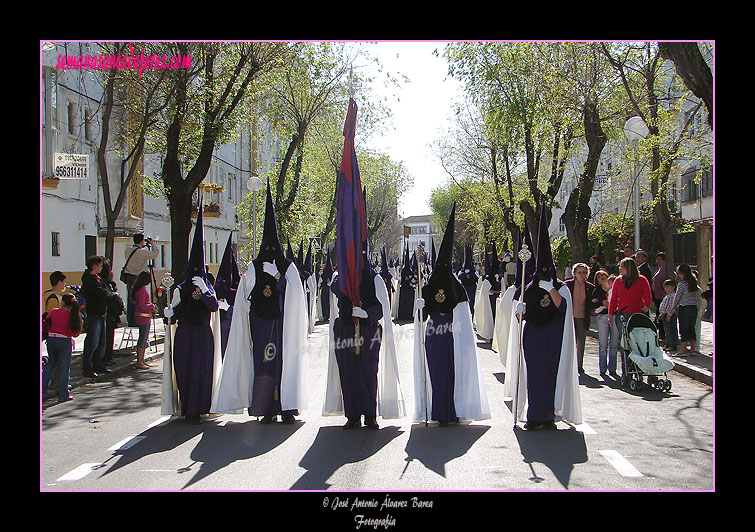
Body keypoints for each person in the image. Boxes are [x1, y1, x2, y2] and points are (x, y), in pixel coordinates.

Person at [211, 184, 308, 425]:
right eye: (266, 248)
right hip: (261, 325)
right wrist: (242, 306)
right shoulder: (254, 266)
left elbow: (297, 294)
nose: (270, 252)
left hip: (283, 325)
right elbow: (244, 292)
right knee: (263, 363)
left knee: (284, 363)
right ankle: (265, 407)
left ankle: (286, 407)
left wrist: (278, 277)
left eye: (273, 248)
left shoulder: (286, 266)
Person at [413, 203, 490, 426]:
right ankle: (438, 411)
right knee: (437, 373)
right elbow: (423, 314)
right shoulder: (427, 286)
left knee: (453, 374)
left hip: (452, 336)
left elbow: (464, 316)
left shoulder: (457, 288)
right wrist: (419, 307)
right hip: (434, 334)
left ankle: (454, 410)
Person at [514, 207, 581, 430]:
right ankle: (534, 416)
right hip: (533, 338)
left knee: (550, 377)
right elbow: (520, 316)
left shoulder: (560, 288)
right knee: (534, 377)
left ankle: (549, 416)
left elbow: (562, 308)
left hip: (552, 339)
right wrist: (520, 308)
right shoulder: (530, 287)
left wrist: (551, 289)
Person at [162, 206, 222, 425]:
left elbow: (214, 306)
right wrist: (169, 313)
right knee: (185, 370)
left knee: (201, 370)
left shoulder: (208, 288)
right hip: (186, 335)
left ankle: (200, 408)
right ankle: (187, 407)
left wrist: (206, 291)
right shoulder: (180, 289)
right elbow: (174, 313)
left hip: (203, 335)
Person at [608, 257, 652, 381]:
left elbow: (648, 294)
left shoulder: (641, 280)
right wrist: (611, 314)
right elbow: (614, 298)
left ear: (629, 268)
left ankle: (640, 369)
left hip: (638, 314)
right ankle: (626, 371)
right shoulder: (618, 281)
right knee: (625, 344)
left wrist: (646, 306)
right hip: (623, 314)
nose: (620, 269)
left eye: (622, 266)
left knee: (638, 342)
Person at [80, 255, 118, 378]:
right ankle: (88, 367)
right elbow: (101, 292)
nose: (102, 268)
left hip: (102, 313)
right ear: (94, 266)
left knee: (102, 342)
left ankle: (98, 364)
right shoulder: (88, 279)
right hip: (94, 314)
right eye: (100, 265)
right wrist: (109, 294)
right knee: (92, 342)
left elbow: (106, 289)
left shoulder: (98, 278)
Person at [42, 293, 82, 403]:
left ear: (62, 302)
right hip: (64, 341)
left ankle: (43, 386)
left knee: (51, 363)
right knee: (64, 367)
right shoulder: (73, 317)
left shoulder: (54, 311)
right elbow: (75, 333)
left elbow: (47, 322)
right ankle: (63, 394)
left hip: (51, 339)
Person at [123, 234, 159, 326]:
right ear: (142, 241)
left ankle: (130, 320)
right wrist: (153, 244)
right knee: (139, 300)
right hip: (138, 278)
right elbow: (155, 254)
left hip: (129, 277)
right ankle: (137, 320)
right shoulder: (142, 252)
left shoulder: (128, 251)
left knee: (131, 298)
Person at [566, 262, 595, 375]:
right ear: (574, 273)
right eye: (579, 272)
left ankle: (579, 365)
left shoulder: (590, 287)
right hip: (570, 317)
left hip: (583, 317)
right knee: (570, 341)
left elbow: (593, 301)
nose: (582, 275)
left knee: (581, 342)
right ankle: (569, 364)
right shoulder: (567, 285)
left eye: (584, 273)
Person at [591, 270, 618, 378]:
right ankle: (603, 369)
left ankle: (612, 369)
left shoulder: (615, 287)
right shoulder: (597, 291)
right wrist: (601, 302)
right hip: (602, 317)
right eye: (599, 277)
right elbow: (592, 303)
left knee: (614, 344)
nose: (601, 277)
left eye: (603, 275)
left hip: (615, 316)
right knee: (603, 344)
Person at [100, 259, 125, 366]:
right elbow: (109, 295)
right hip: (108, 312)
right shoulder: (102, 282)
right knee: (107, 336)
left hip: (112, 314)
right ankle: (104, 357)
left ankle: (108, 356)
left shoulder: (109, 282)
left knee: (110, 336)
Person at [672, 264, 699, 356]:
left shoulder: (682, 284)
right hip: (693, 307)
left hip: (684, 307)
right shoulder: (693, 282)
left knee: (684, 328)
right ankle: (692, 349)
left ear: (682, 273)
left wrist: (674, 306)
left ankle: (683, 349)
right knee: (692, 328)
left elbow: (677, 296)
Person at [131, 271, 154, 369]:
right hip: (142, 316)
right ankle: (139, 361)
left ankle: (142, 360)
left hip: (145, 316)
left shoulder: (141, 289)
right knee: (142, 338)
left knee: (144, 339)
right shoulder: (141, 290)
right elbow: (141, 305)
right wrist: (151, 306)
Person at [658, 279, 679, 352]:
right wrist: (661, 314)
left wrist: (669, 315)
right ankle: (668, 344)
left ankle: (672, 345)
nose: (666, 288)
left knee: (671, 330)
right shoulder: (667, 295)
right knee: (667, 331)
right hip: (665, 314)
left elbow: (672, 307)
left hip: (670, 315)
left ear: (673, 287)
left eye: (668, 287)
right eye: (665, 287)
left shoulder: (672, 296)